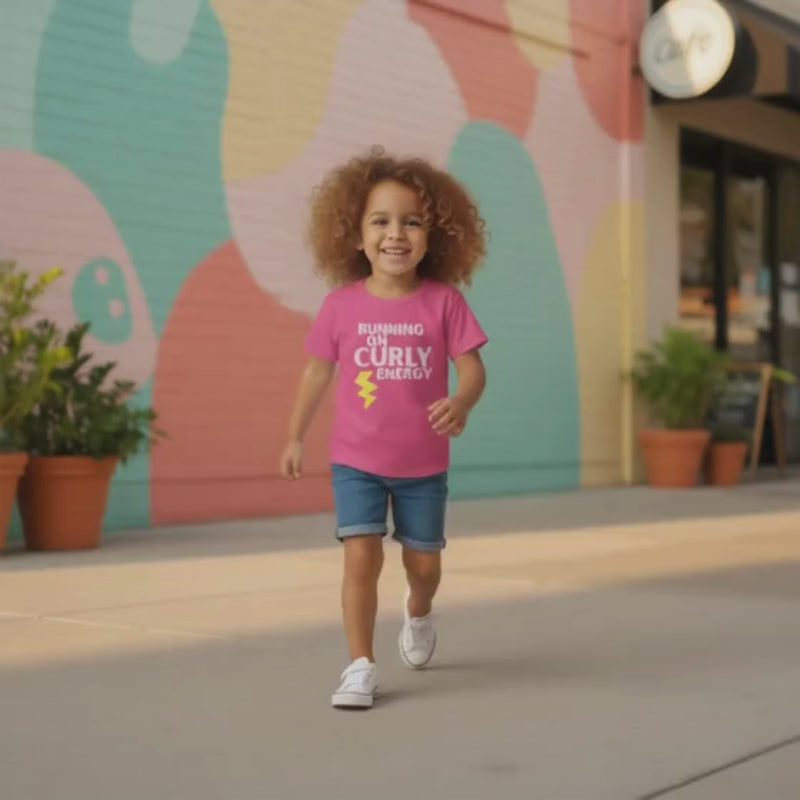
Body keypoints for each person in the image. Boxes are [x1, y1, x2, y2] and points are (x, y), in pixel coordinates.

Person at [279, 147, 488, 709]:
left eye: (412, 222)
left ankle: (419, 611)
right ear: (355, 234)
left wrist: (462, 400)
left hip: (423, 464)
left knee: (424, 566)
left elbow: (472, 368)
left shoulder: (444, 303)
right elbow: (316, 372)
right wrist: (295, 436)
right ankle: (359, 666)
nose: (396, 234)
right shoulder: (340, 306)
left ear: (433, 235)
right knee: (360, 558)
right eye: (380, 221)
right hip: (356, 461)